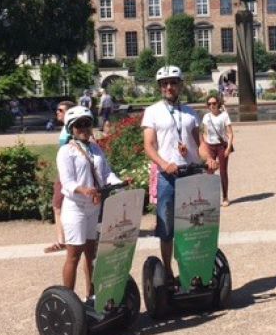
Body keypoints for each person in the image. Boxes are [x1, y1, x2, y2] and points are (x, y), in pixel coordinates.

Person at [142, 65, 216, 283]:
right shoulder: (152, 112)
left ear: (180, 85)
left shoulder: (190, 113)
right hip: (168, 177)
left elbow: (199, 143)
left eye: (173, 82)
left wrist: (208, 159)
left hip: (190, 174)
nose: (169, 87)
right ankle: (167, 270)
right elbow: (148, 145)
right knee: (167, 227)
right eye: (164, 84)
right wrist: (164, 164)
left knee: (194, 224)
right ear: (159, 87)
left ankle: (191, 266)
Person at [56, 105, 125, 300]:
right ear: (71, 129)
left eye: (87, 124)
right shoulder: (66, 151)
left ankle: (92, 296)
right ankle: (68, 301)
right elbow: (67, 182)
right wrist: (84, 190)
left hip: (94, 207)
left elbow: (106, 173)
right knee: (74, 254)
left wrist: (119, 182)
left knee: (92, 254)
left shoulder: (95, 149)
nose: (84, 128)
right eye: (79, 125)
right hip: (76, 208)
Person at [44, 100, 75, 253]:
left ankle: (62, 240)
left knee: (58, 205)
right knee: (59, 206)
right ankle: (65, 239)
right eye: (57, 110)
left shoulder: (71, 130)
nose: (58, 113)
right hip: (64, 172)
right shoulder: (66, 129)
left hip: (66, 174)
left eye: (61, 110)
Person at [202, 94, 235, 206]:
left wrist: (228, 148)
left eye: (214, 103)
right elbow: (205, 133)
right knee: (209, 171)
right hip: (210, 146)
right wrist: (206, 148)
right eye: (209, 104)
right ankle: (210, 197)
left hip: (222, 146)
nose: (212, 105)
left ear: (218, 104)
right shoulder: (206, 117)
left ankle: (225, 197)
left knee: (223, 172)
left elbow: (230, 133)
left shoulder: (224, 115)